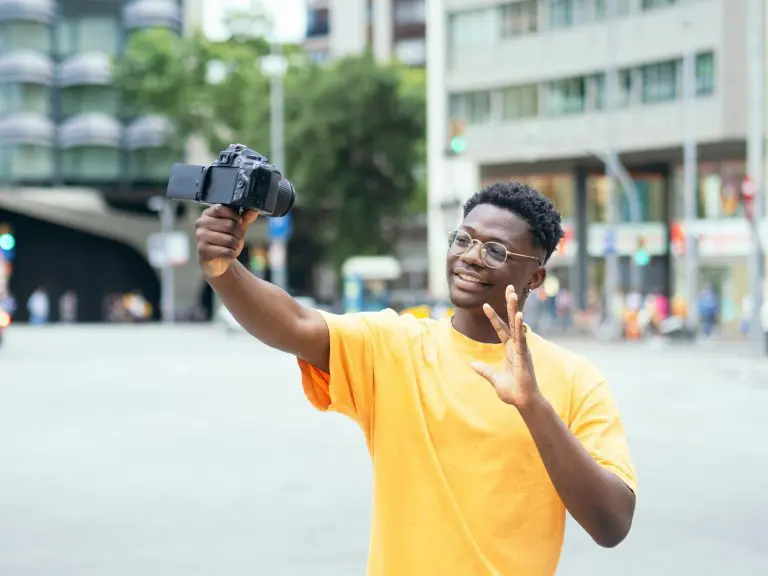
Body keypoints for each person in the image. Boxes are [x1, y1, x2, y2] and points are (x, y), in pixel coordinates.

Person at [195, 181, 637, 576]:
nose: (470, 257)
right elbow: (294, 324)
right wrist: (223, 269)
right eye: (463, 239)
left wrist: (533, 406)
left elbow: (612, 523)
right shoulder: (395, 346)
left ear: (535, 276)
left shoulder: (576, 379)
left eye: (495, 251)